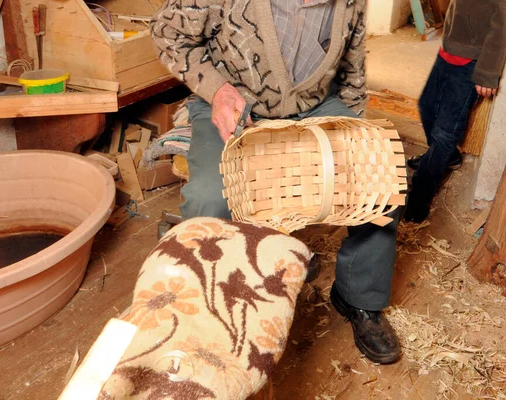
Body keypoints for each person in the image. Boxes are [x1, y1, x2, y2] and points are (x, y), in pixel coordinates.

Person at [151, 0, 402, 364]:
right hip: (233, 102)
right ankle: (205, 311)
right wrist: (218, 91)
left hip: (315, 106)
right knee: (210, 198)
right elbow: (167, 32)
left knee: (380, 178)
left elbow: (352, 72)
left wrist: (355, 139)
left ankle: (358, 296)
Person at [404, 0, 506, 223]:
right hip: (448, 51)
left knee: (445, 133)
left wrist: (488, 73)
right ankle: (448, 157)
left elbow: (502, 26)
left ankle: (420, 195)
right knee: (426, 105)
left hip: (471, 62)